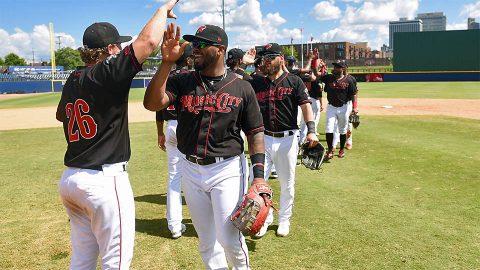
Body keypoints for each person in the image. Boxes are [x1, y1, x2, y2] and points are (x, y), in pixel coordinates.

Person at [55, 1, 179, 269]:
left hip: (71, 180)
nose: (122, 49)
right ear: (110, 50)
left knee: (82, 259)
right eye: (118, 46)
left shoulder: (73, 78)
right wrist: (162, 10)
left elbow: (61, 115)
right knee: (117, 262)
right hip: (103, 180)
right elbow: (147, 42)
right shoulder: (107, 73)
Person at [144, 23, 266, 270]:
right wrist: (166, 63)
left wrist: (259, 178)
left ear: (220, 49)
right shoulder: (182, 81)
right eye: (193, 44)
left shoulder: (242, 87)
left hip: (227, 169)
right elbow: (152, 103)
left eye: (201, 44)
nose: (194, 49)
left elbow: (255, 134)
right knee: (207, 243)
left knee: (229, 239)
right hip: (190, 169)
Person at [248, 43, 319, 237]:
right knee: (258, 182)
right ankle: (264, 217)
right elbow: (235, 81)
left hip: (287, 139)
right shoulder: (257, 82)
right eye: (264, 58)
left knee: (287, 183)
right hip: (263, 139)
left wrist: (311, 130)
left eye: (270, 57)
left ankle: (284, 219)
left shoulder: (294, 81)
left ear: (281, 58)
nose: (266, 61)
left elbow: (306, 107)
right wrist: (244, 65)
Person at [155, 42, 193, 239]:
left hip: (170, 126)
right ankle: (202, 219)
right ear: (188, 59)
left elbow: (158, 107)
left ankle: (174, 226)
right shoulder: (191, 77)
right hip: (187, 127)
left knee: (174, 177)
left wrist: (160, 132)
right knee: (197, 174)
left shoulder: (166, 76)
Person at [320, 61, 358, 160]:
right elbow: (317, 75)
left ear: (343, 68)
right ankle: (330, 150)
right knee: (329, 128)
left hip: (344, 107)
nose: (335, 68)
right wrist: (315, 62)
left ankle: (341, 149)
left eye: (338, 67)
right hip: (331, 107)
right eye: (335, 66)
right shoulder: (329, 77)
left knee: (342, 129)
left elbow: (354, 94)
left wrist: (354, 107)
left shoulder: (349, 80)